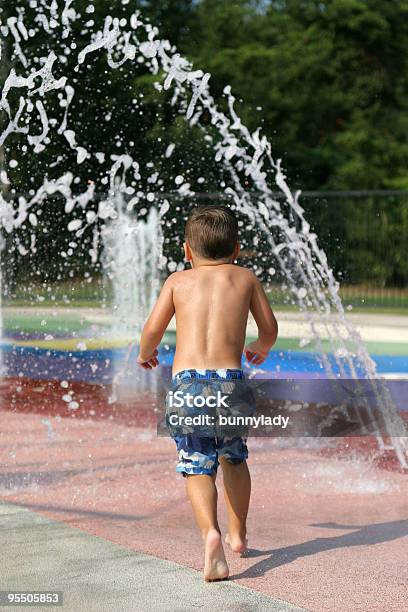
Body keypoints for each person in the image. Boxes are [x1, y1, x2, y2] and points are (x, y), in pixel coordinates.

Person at [137, 205, 278, 581]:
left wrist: (145, 353)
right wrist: (261, 348)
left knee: (196, 464)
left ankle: (210, 535)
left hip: (188, 384)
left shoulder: (177, 281)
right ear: (236, 248)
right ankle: (238, 534)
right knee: (234, 457)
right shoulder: (245, 278)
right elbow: (269, 328)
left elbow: (152, 329)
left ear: (187, 250)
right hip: (230, 381)